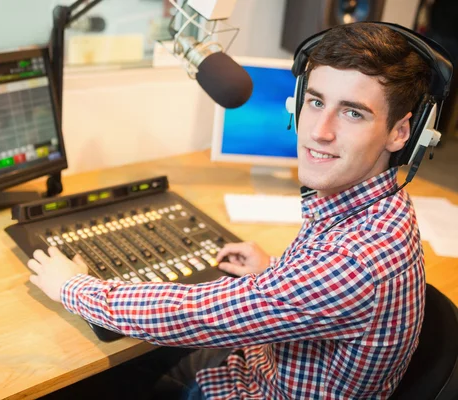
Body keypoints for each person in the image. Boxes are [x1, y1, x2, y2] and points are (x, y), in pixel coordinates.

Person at [27, 22, 437, 399]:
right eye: (315, 102)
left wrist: (72, 287)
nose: (319, 130)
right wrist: (274, 272)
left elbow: (191, 316)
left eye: (352, 112)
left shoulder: (352, 263)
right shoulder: (381, 207)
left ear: (402, 132)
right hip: (258, 364)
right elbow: (325, 291)